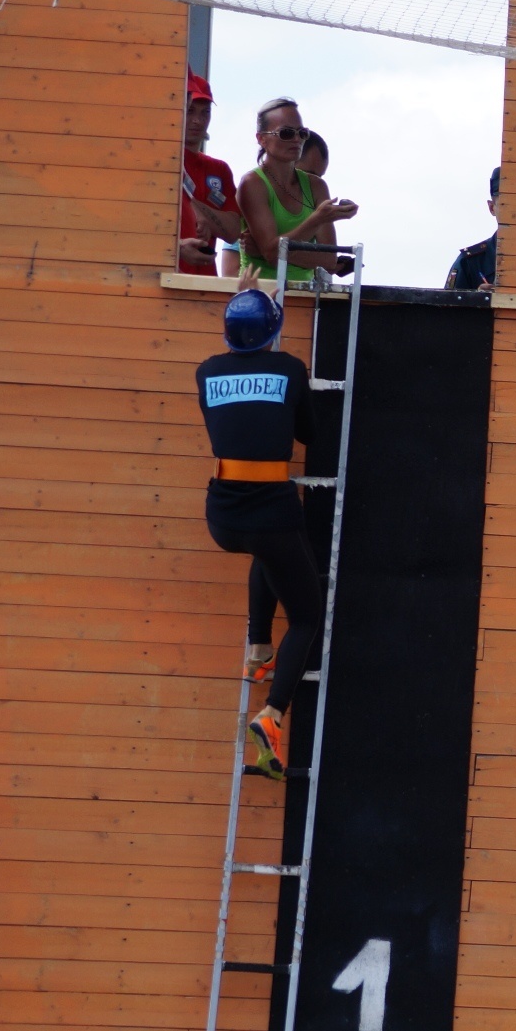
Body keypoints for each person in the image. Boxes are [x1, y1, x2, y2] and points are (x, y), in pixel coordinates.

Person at [196, 276, 322, 781]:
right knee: (309, 617)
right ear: (274, 331)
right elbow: (310, 434)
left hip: (222, 516)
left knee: (266, 555)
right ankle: (271, 718)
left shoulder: (206, 372)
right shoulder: (290, 368)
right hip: (270, 511)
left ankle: (258, 650)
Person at [238, 98, 357, 283]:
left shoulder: (316, 186)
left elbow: (328, 259)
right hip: (260, 295)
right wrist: (317, 220)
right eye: (286, 133)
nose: (296, 139)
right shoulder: (253, 184)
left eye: (302, 133)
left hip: (303, 298)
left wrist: (276, 251)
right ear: (262, 139)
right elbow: (272, 254)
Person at [179, 75, 243, 276]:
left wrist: (196, 209)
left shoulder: (219, 169)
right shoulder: (161, 160)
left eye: (205, 112)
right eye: (190, 111)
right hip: (167, 278)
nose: (198, 120)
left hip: (206, 280)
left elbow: (233, 232)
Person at [447, 167, 500, 291]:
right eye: (505, 204)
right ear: (492, 208)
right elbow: (446, 306)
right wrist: (477, 300)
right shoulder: (469, 262)